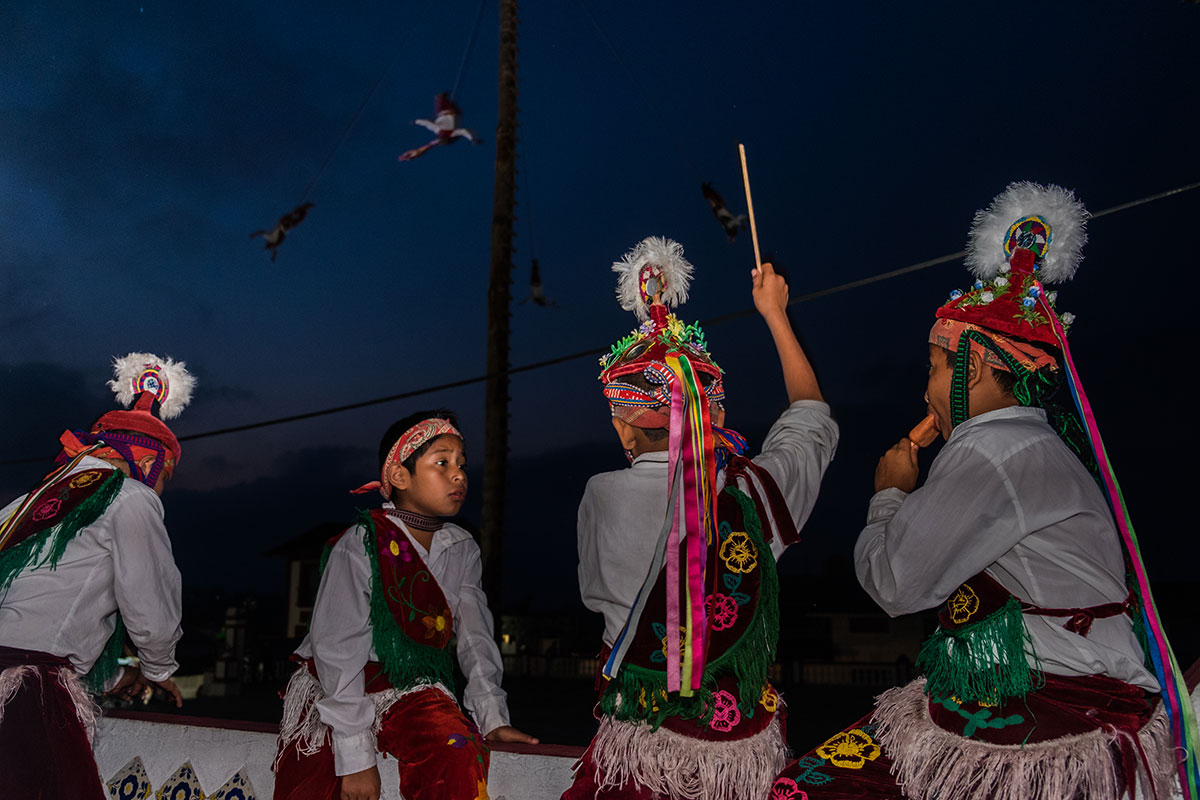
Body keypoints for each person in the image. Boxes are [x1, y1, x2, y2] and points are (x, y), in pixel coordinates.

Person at [769, 182, 1198, 800]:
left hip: (1056, 698)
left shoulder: (990, 448)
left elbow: (894, 584)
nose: (926, 390)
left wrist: (889, 494)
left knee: (803, 791)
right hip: (1066, 689)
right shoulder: (1034, 445)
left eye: (934, 368)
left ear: (969, 369)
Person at [563, 237, 839, 800]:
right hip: (737, 751)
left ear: (623, 426)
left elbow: (594, 593)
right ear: (712, 412)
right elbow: (811, 421)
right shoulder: (753, 492)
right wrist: (776, 315)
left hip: (638, 743)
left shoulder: (601, 494)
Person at [272, 410, 536, 800]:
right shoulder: (361, 542)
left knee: (456, 749)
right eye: (442, 462)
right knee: (314, 781)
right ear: (399, 476)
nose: (459, 474)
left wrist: (492, 717)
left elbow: (476, 639)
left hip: (412, 687)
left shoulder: (461, 547)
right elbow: (336, 649)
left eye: (462, 464)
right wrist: (357, 759)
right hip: (340, 688)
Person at [0, 352, 192, 800]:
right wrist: (158, 667)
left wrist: (109, 678)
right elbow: (150, 599)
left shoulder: (26, 504)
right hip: (28, 695)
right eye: (165, 474)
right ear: (146, 461)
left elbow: (43, 607)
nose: (162, 487)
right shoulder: (130, 500)